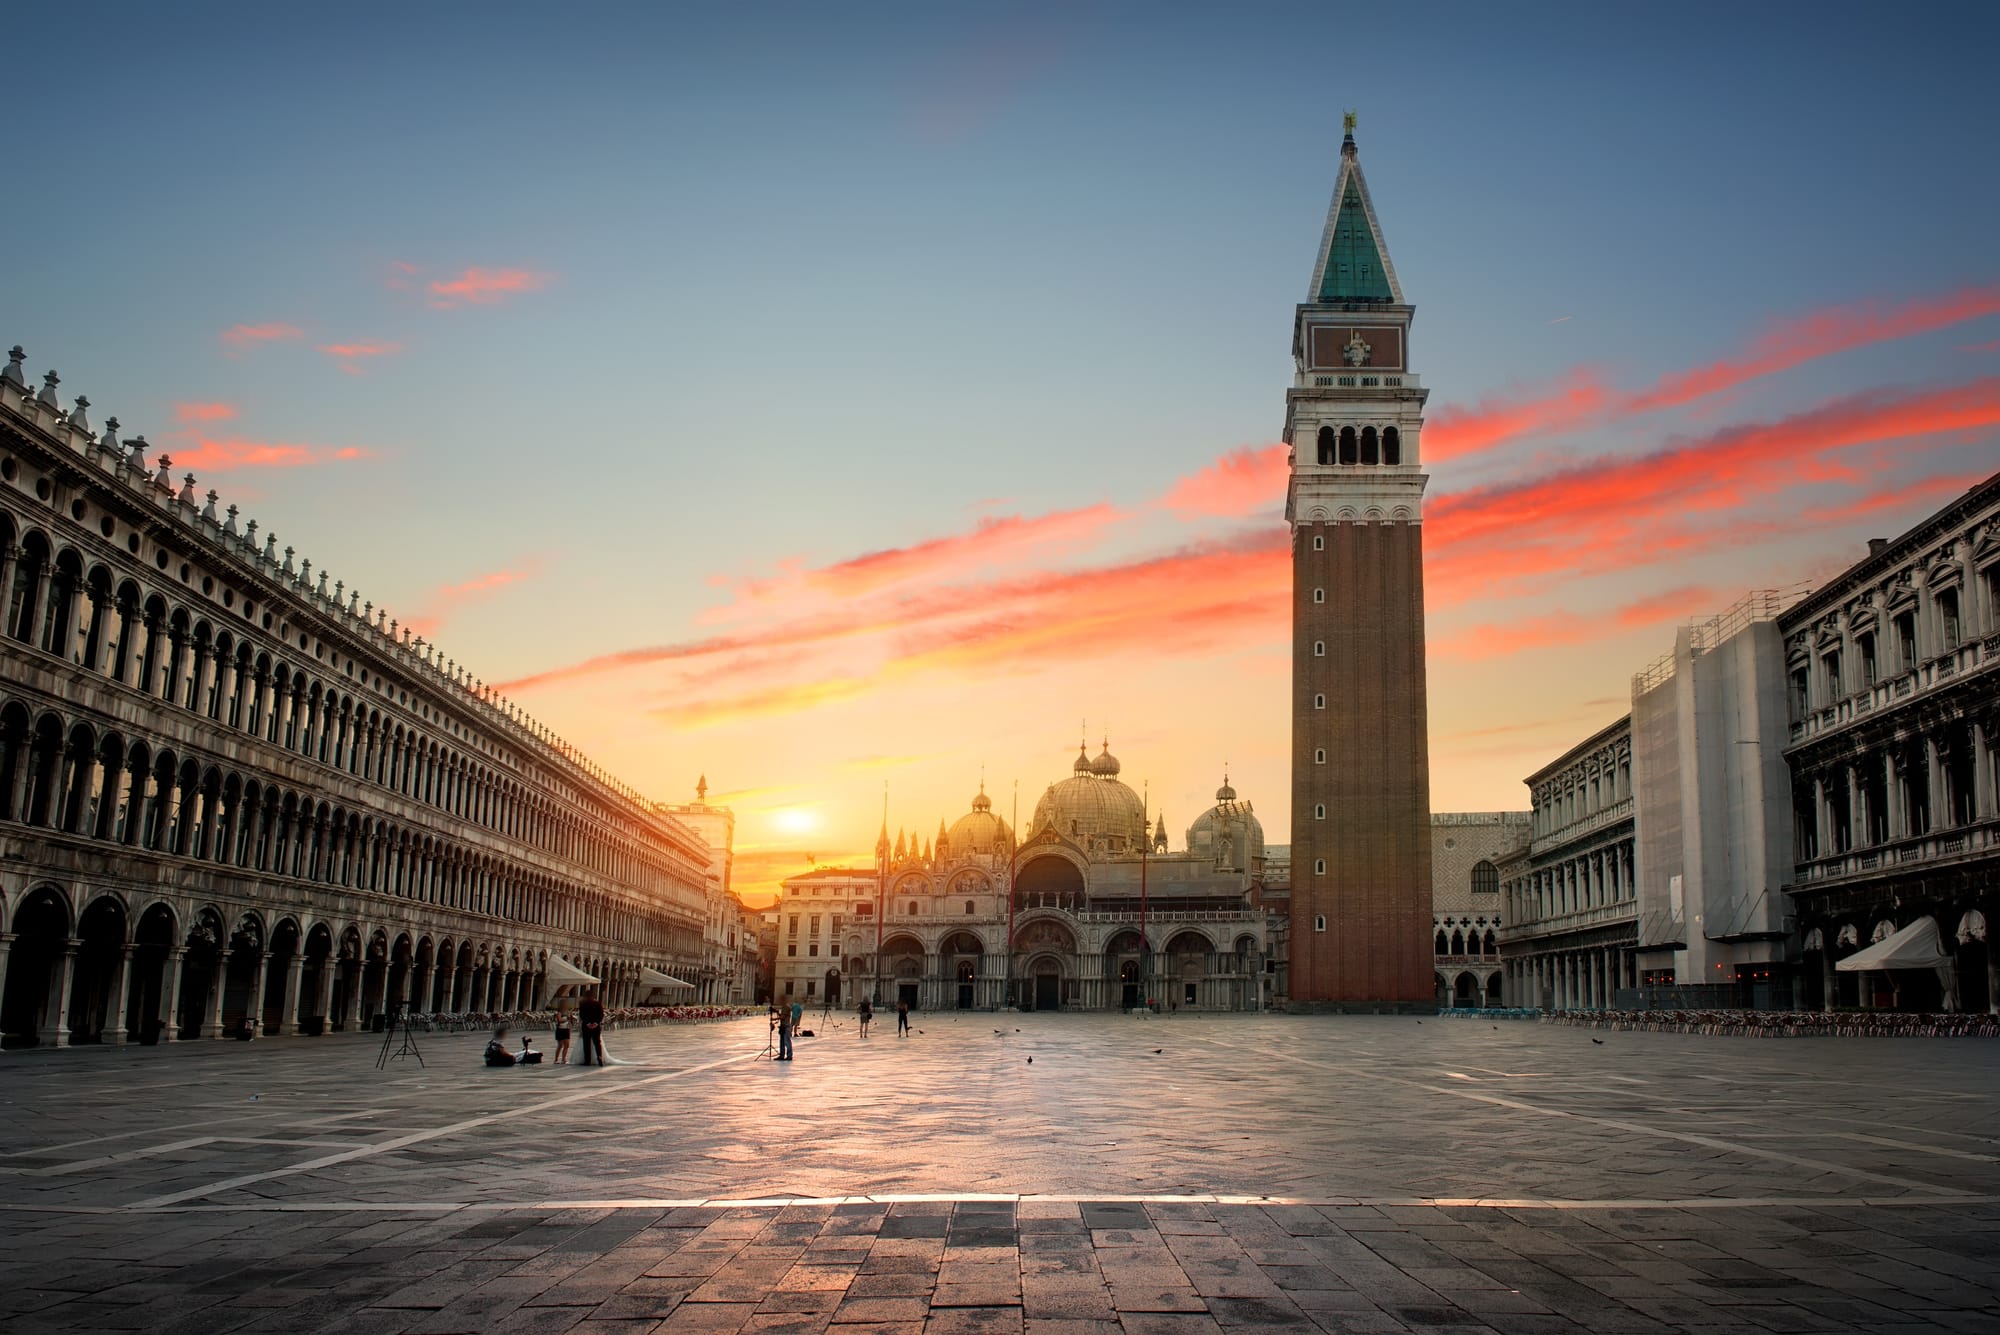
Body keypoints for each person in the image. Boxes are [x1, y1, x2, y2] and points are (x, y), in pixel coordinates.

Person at [578, 990, 606, 1066]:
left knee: (587, 1044)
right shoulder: (598, 1004)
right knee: (597, 1043)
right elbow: (601, 1015)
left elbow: (582, 1015)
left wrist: (588, 1023)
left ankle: (587, 1060)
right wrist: (596, 1023)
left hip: (586, 1026)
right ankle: (599, 1057)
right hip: (596, 1027)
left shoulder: (583, 1004)